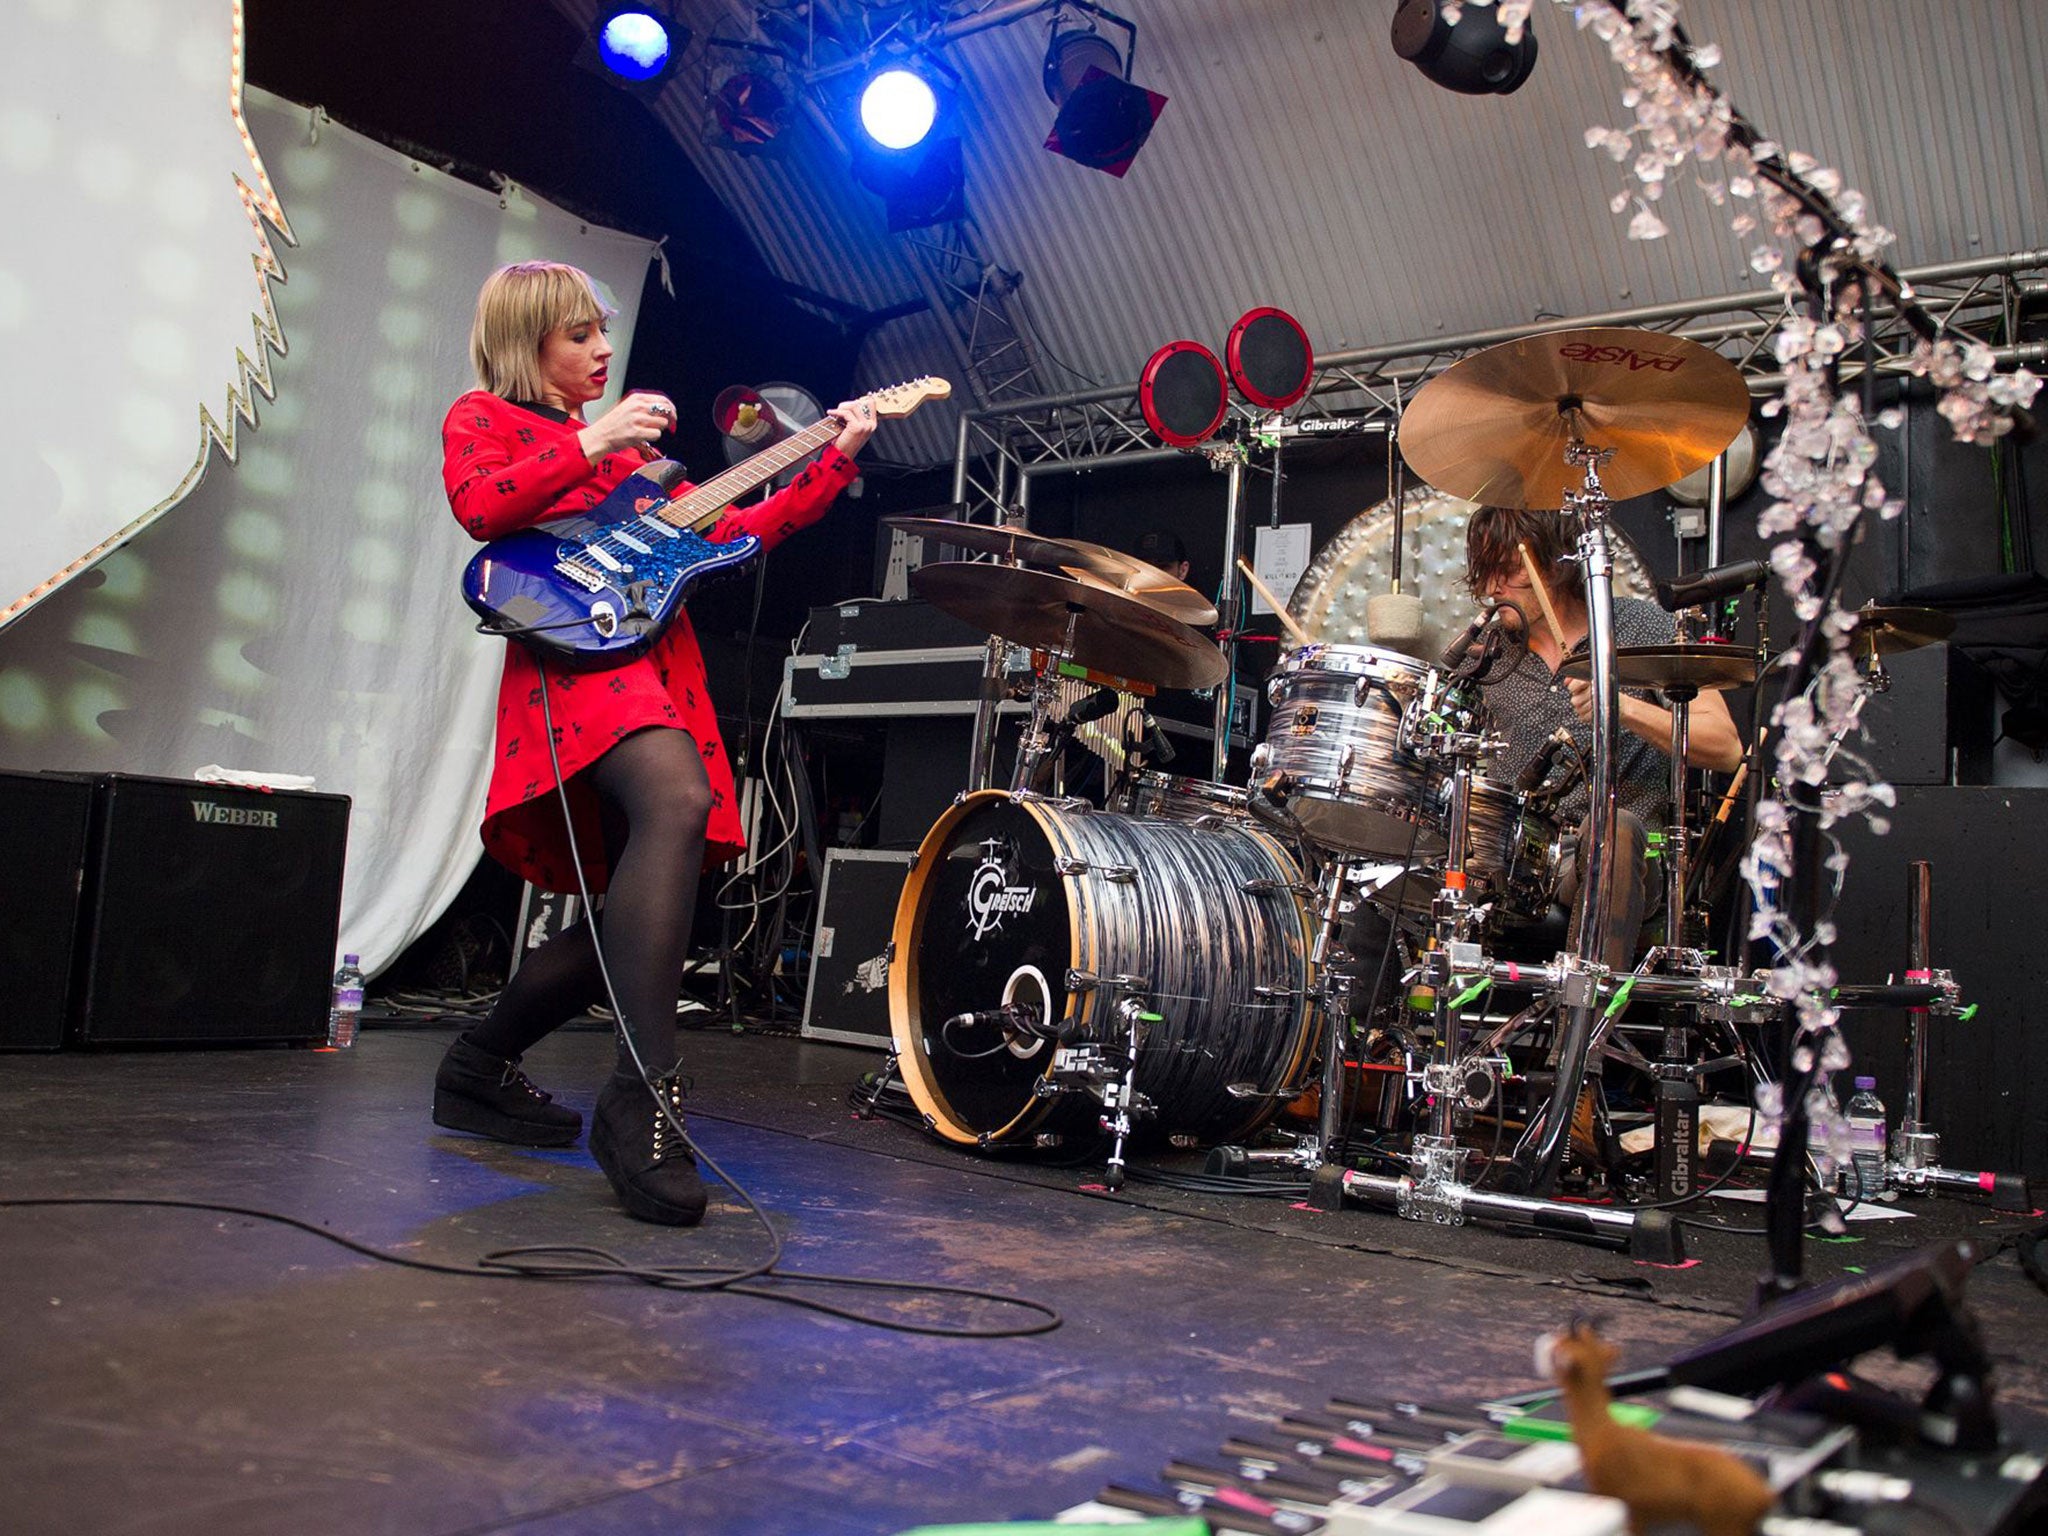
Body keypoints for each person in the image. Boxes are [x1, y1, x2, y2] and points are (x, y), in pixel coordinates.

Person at [429, 260, 876, 1226]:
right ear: (527, 343)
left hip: (655, 663)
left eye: (603, 333)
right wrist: (592, 439)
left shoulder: (639, 471)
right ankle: (643, 1099)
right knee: (677, 804)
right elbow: (481, 507)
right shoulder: (485, 417)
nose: (601, 351)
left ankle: (475, 1066)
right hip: (574, 665)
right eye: (579, 335)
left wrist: (831, 456)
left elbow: (740, 531)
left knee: (628, 922)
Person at [1462, 505, 1743, 968]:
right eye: (1483, 571)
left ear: (1552, 564)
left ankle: (1584, 1030)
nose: (1491, 589)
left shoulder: (1638, 628)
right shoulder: (1485, 656)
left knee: (1611, 831)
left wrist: (1619, 706)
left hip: (1622, 854)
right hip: (1514, 860)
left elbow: (1726, 746)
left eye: (1505, 571)